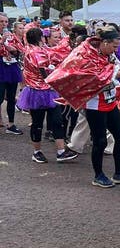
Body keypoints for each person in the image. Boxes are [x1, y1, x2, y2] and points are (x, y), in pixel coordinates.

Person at [83, 25, 120, 188]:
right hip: (94, 104)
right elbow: (94, 78)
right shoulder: (89, 55)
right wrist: (116, 75)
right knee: (99, 141)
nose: (116, 49)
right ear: (104, 43)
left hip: (110, 101)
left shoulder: (110, 56)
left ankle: (119, 172)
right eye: (114, 46)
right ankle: (98, 175)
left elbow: (116, 67)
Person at [15, 28, 77, 163]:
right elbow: (45, 74)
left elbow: (54, 55)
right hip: (37, 92)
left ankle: (61, 151)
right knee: (39, 123)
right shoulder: (34, 52)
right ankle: (37, 152)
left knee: (56, 121)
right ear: (39, 38)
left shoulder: (37, 50)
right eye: (43, 37)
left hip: (48, 91)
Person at [0, 12, 24, 134]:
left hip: (11, 68)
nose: (4, 24)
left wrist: (14, 51)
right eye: (1, 21)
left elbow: (20, 50)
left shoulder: (11, 36)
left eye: (5, 21)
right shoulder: (4, 37)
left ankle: (11, 124)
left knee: (11, 97)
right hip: (0, 67)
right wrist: (1, 42)